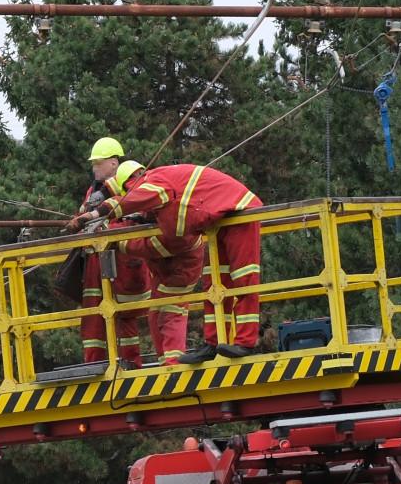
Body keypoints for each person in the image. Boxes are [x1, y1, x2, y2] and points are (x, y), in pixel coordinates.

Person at [76, 163, 265, 364]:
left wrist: (96, 215)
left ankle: (245, 342)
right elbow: (127, 189)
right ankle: (213, 343)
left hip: (240, 212)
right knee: (215, 285)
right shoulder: (157, 183)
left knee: (244, 278)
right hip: (221, 218)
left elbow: (136, 203)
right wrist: (102, 196)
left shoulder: (153, 182)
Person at [78, 140, 152, 367]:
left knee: (126, 315)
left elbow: (136, 217)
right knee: (93, 314)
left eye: (98, 163)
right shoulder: (93, 191)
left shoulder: (129, 184)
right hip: (95, 263)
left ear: (113, 162)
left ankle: (130, 362)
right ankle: (94, 364)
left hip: (124, 260)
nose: (94, 168)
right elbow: (83, 216)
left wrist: (106, 225)